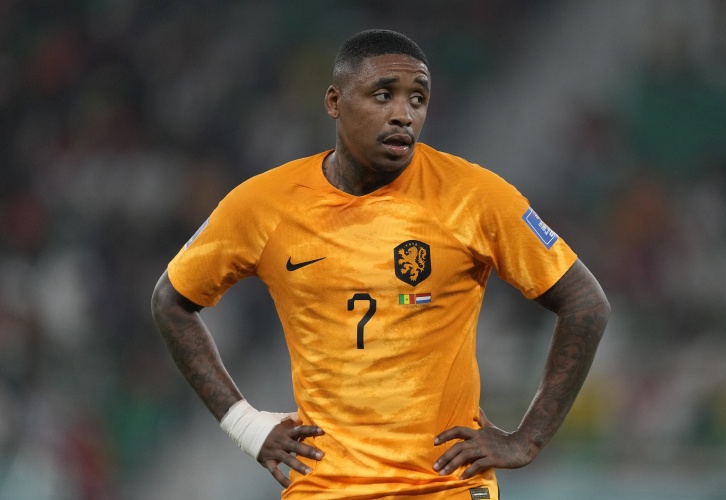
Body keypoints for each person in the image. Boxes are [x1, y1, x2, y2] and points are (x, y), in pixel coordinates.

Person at [151, 29, 610, 500]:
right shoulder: (265, 204)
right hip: (323, 489)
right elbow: (172, 301)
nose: (403, 114)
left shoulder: (474, 197)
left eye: (418, 98)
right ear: (334, 101)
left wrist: (526, 440)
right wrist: (244, 425)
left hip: (443, 488)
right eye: (384, 94)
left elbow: (585, 303)